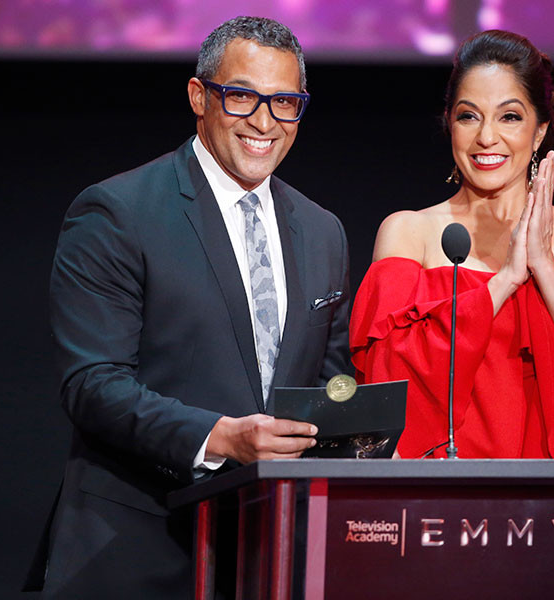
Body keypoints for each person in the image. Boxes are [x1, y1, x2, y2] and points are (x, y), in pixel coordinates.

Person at [24, 16, 351, 598]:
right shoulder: (117, 211)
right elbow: (92, 384)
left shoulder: (322, 230)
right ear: (200, 96)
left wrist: (364, 422)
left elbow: (327, 381)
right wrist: (220, 437)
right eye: (243, 96)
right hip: (137, 548)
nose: (264, 121)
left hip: (269, 554)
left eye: (285, 103)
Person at [350, 30, 554, 459]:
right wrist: (506, 281)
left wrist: (546, 271)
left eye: (509, 116)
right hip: (432, 504)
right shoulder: (408, 234)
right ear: (450, 125)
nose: (486, 138)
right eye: (468, 116)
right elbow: (387, 396)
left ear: (539, 131)